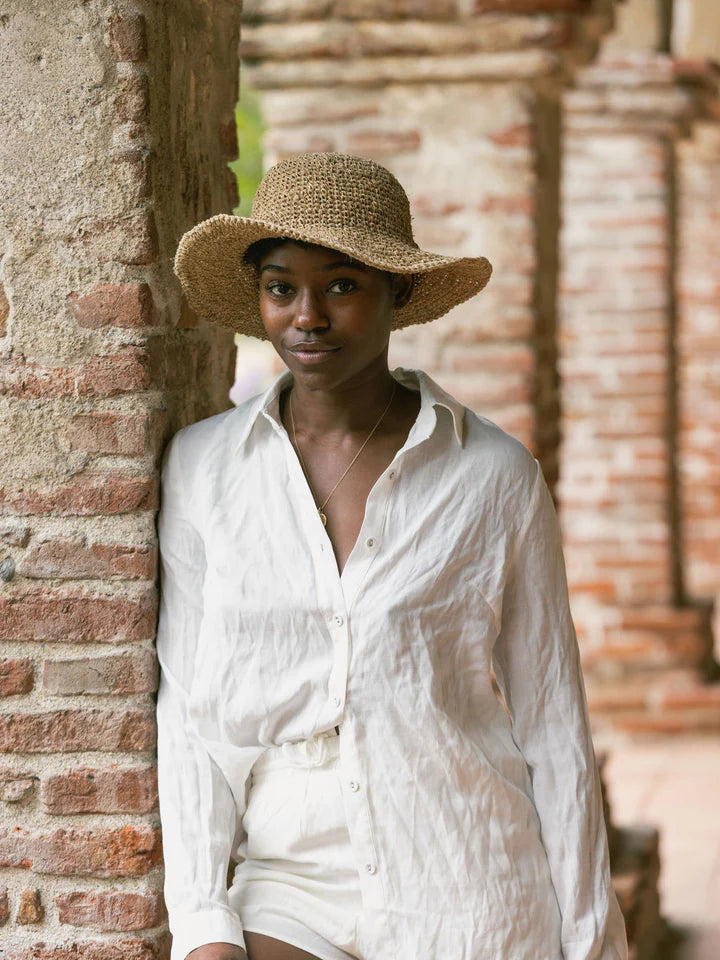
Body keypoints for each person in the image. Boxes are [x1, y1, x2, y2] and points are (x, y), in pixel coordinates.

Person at [157, 151, 628, 960]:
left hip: (465, 876)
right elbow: (191, 709)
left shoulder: (493, 476)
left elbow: (552, 722)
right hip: (287, 880)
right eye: (281, 288)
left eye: (341, 285)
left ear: (399, 293)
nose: (307, 315)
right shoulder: (204, 471)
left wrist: (591, 943)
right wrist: (202, 922)